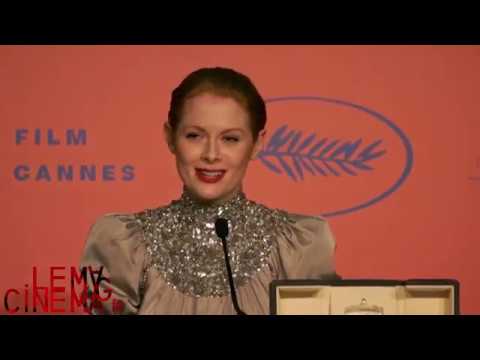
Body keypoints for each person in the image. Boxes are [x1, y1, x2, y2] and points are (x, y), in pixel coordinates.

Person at [79, 67, 337, 315]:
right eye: (194, 135)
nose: (211, 155)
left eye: (230, 139)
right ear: (170, 137)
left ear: (257, 144)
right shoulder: (123, 246)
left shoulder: (297, 246)